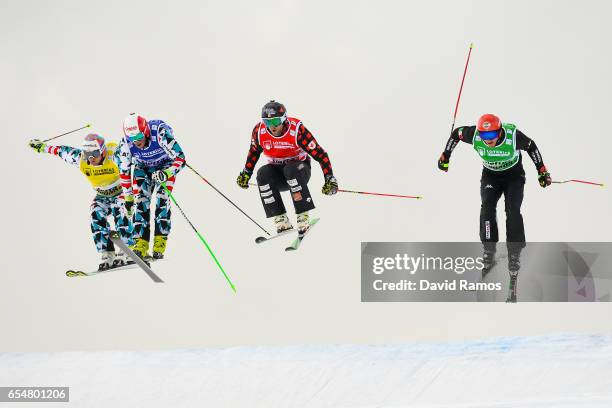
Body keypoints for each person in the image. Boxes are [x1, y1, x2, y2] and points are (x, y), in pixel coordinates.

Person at [437, 113, 552, 272]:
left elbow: (531, 146)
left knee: (512, 210)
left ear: (499, 132)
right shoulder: (475, 136)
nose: (488, 139)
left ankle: (514, 252)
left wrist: (542, 171)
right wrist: (446, 156)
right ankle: (489, 249)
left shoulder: (513, 137)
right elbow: (457, 133)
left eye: (491, 134)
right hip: (491, 176)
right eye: (484, 135)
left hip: (514, 177)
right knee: (487, 207)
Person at [28, 134, 135, 271]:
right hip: (102, 196)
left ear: (102, 151)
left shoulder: (113, 155)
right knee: (95, 212)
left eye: (95, 153)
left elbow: (133, 151)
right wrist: (42, 147)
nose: (91, 158)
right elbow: (62, 151)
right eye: (88, 154)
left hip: (121, 193)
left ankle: (128, 248)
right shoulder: (81, 159)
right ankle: (107, 252)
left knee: (120, 208)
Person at [236, 100, 338, 234]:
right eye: (267, 122)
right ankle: (281, 220)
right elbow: (254, 152)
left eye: (275, 122)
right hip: (279, 175)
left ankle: (303, 216)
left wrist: (329, 178)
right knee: (263, 173)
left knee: (290, 169)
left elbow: (320, 154)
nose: (271, 127)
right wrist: (246, 173)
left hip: (300, 170)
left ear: (283, 119)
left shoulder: (296, 130)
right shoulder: (259, 131)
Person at [117, 113, 186, 259]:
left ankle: (160, 242)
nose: (136, 142)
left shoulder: (159, 132)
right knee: (141, 200)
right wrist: (128, 197)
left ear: (146, 131)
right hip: (143, 167)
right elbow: (124, 171)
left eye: (139, 137)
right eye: (132, 138)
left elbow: (181, 159)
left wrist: (167, 173)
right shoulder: (125, 144)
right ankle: (141, 243)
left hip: (165, 165)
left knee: (162, 197)